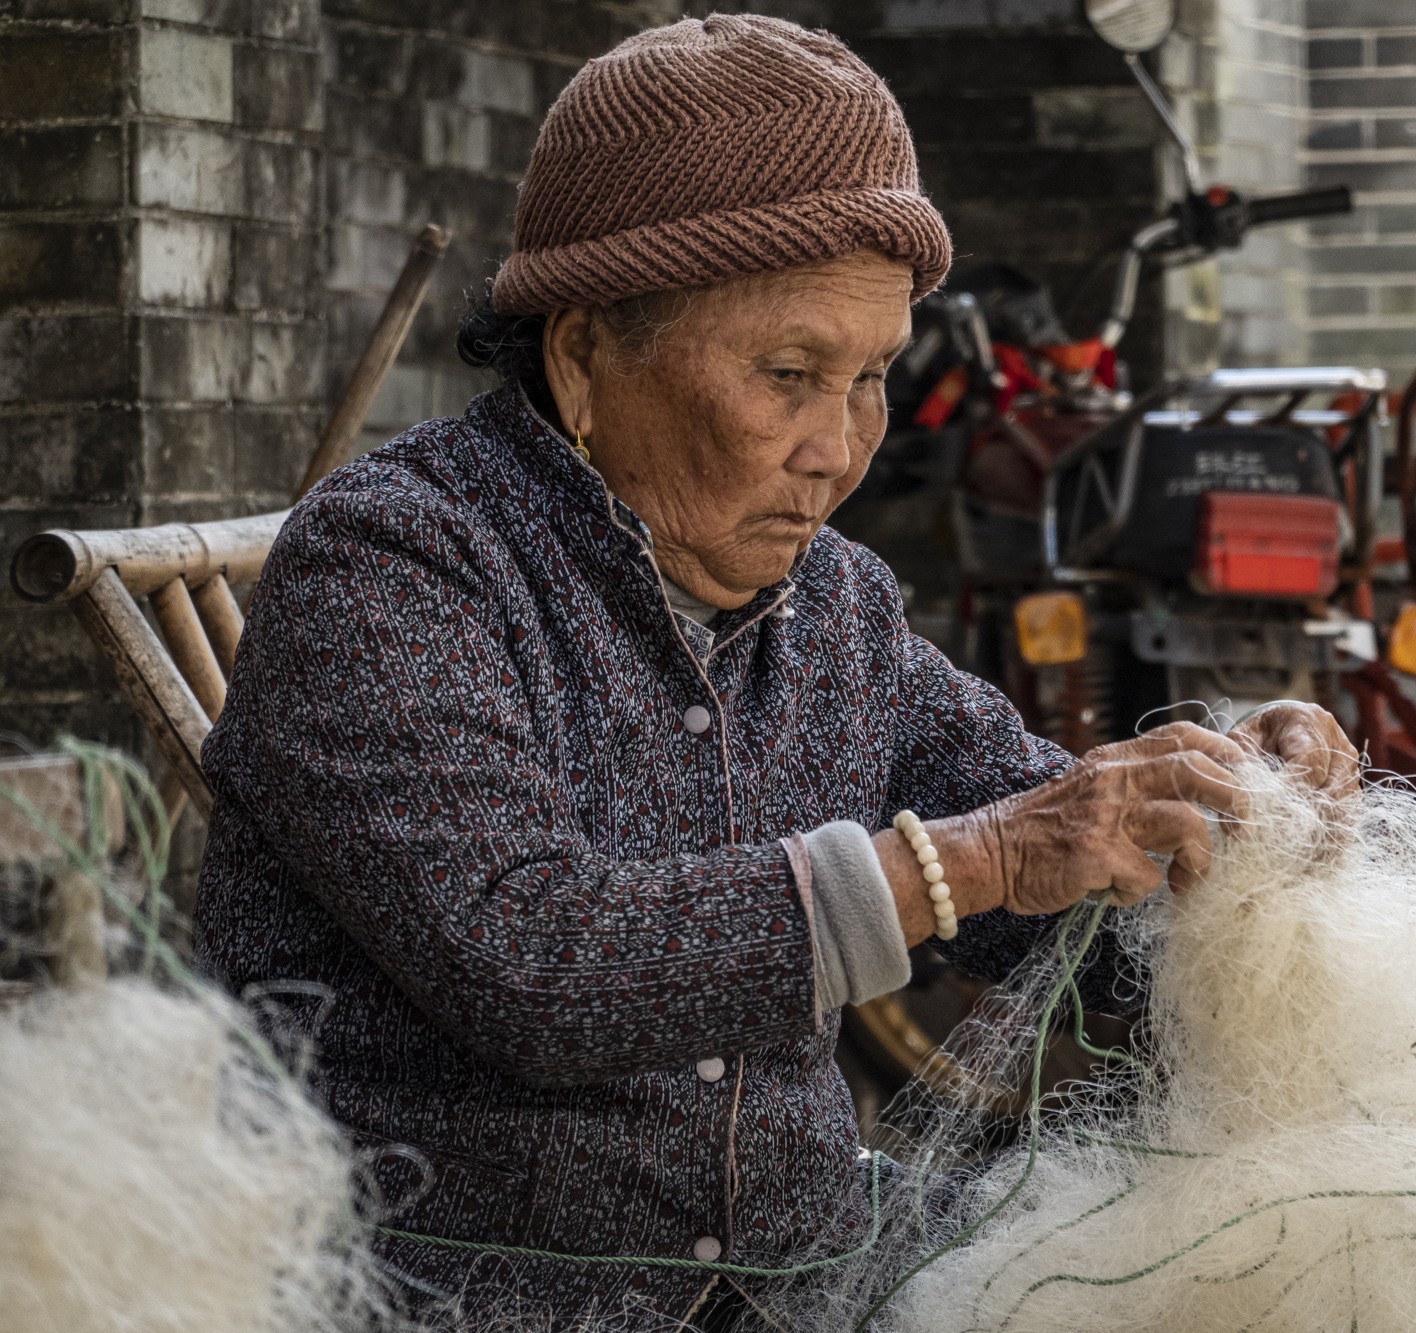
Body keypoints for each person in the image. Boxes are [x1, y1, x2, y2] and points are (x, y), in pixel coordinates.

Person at [194, 15, 1357, 1329]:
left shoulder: (832, 607)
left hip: (801, 1279)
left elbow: (1054, 882)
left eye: (871, 380)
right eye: (790, 375)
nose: (839, 449)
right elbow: (534, 963)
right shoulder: (396, 566)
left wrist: (1220, 828)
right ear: (582, 358)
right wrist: (961, 863)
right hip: (466, 1291)